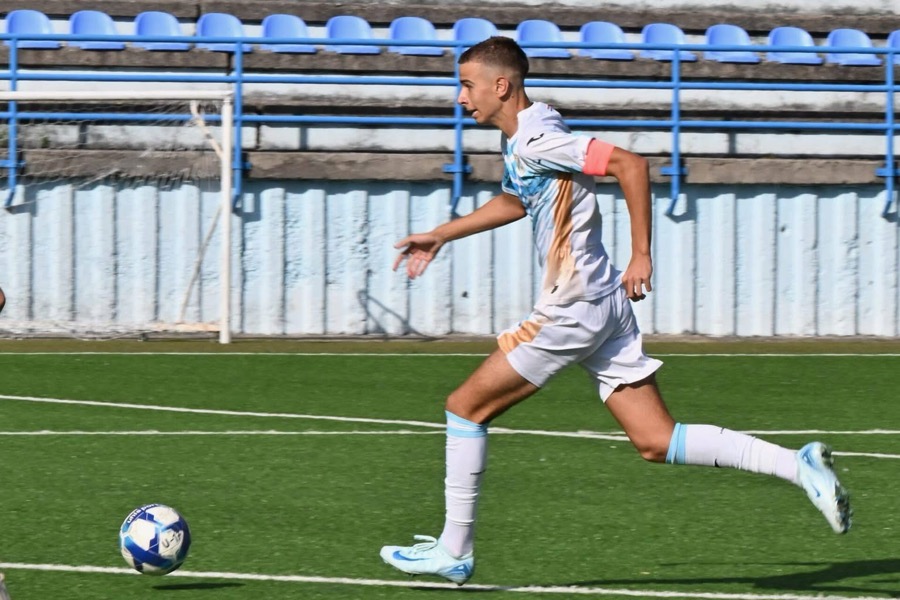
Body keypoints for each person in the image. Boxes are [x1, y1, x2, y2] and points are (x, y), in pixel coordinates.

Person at [379, 36, 851, 586]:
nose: (461, 98)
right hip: (604, 304)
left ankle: (454, 550)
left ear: (500, 86)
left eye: (466, 85)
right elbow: (516, 198)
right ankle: (797, 464)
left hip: (574, 306)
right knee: (657, 440)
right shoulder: (532, 133)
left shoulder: (536, 139)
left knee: (465, 409)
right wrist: (442, 233)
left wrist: (641, 253)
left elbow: (630, 164)